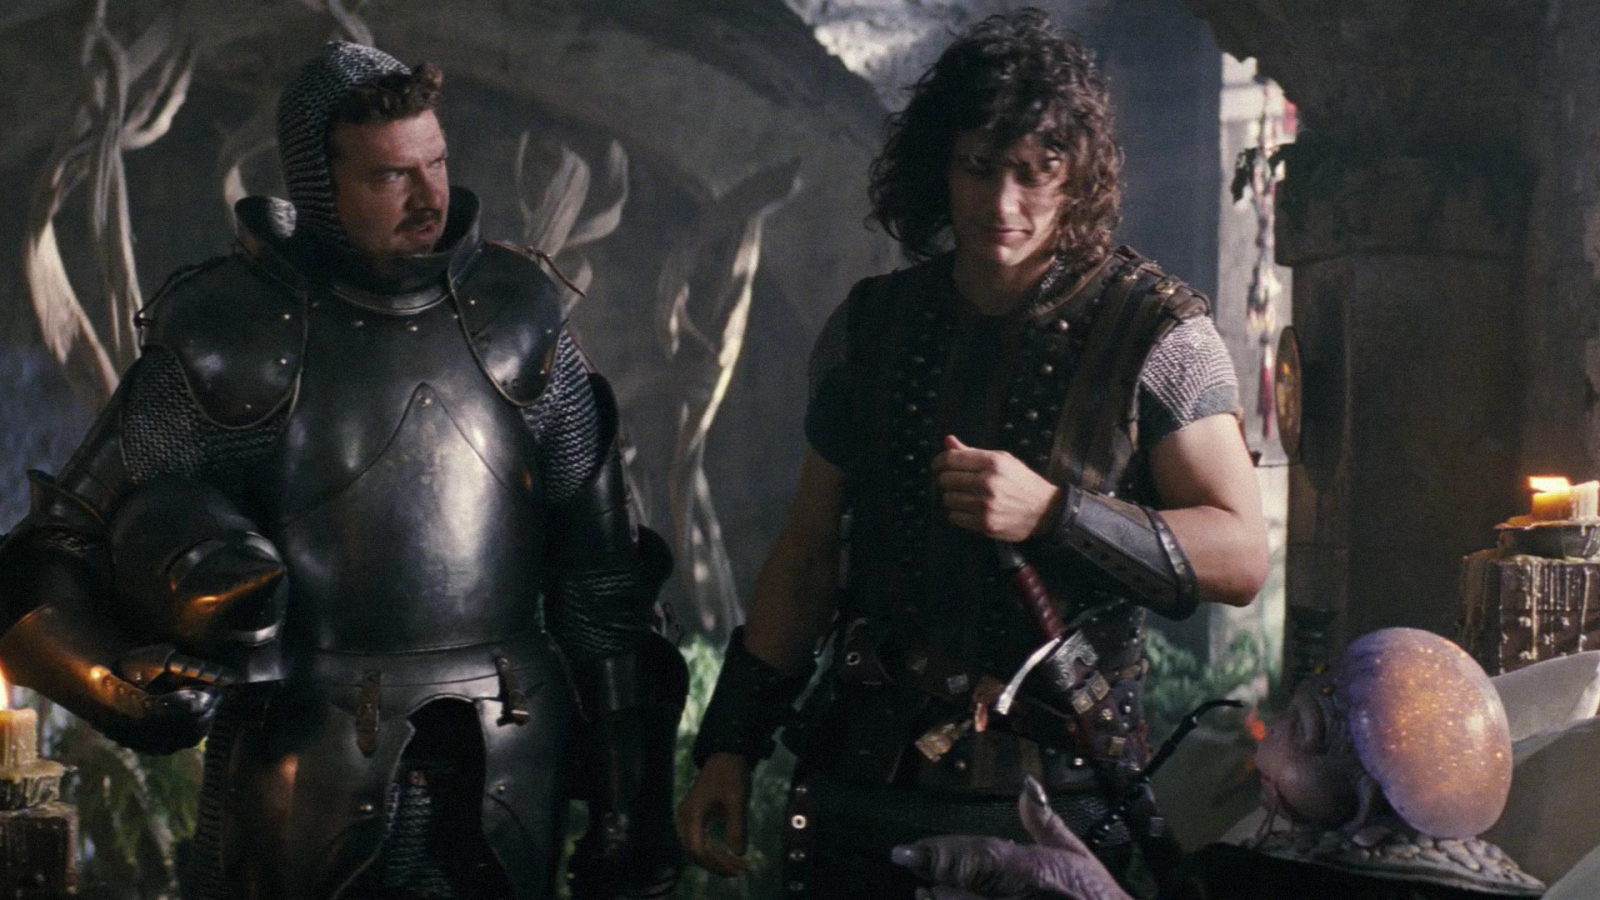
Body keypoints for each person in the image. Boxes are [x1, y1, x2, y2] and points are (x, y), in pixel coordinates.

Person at [0, 42, 685, 900]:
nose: (430, 198)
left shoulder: (518, 317)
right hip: (301, 769)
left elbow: (601, 583)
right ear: (319, 188)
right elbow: (53, 550)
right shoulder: (237, 332)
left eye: (436, 163)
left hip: (508, 762)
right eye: (392, 176)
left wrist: (628, 806)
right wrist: (114, 684)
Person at [677, 10, 1269, 899]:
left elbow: (1242, 554)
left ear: (1078, 176)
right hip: (858, 782)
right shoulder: (869, 328)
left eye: (1036, 172)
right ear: (941, 166)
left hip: (1052, 804)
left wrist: (1055, 513)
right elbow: (806, 555)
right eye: (979, 167)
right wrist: (730, 745)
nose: (1002, 205)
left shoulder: (1157, 333)